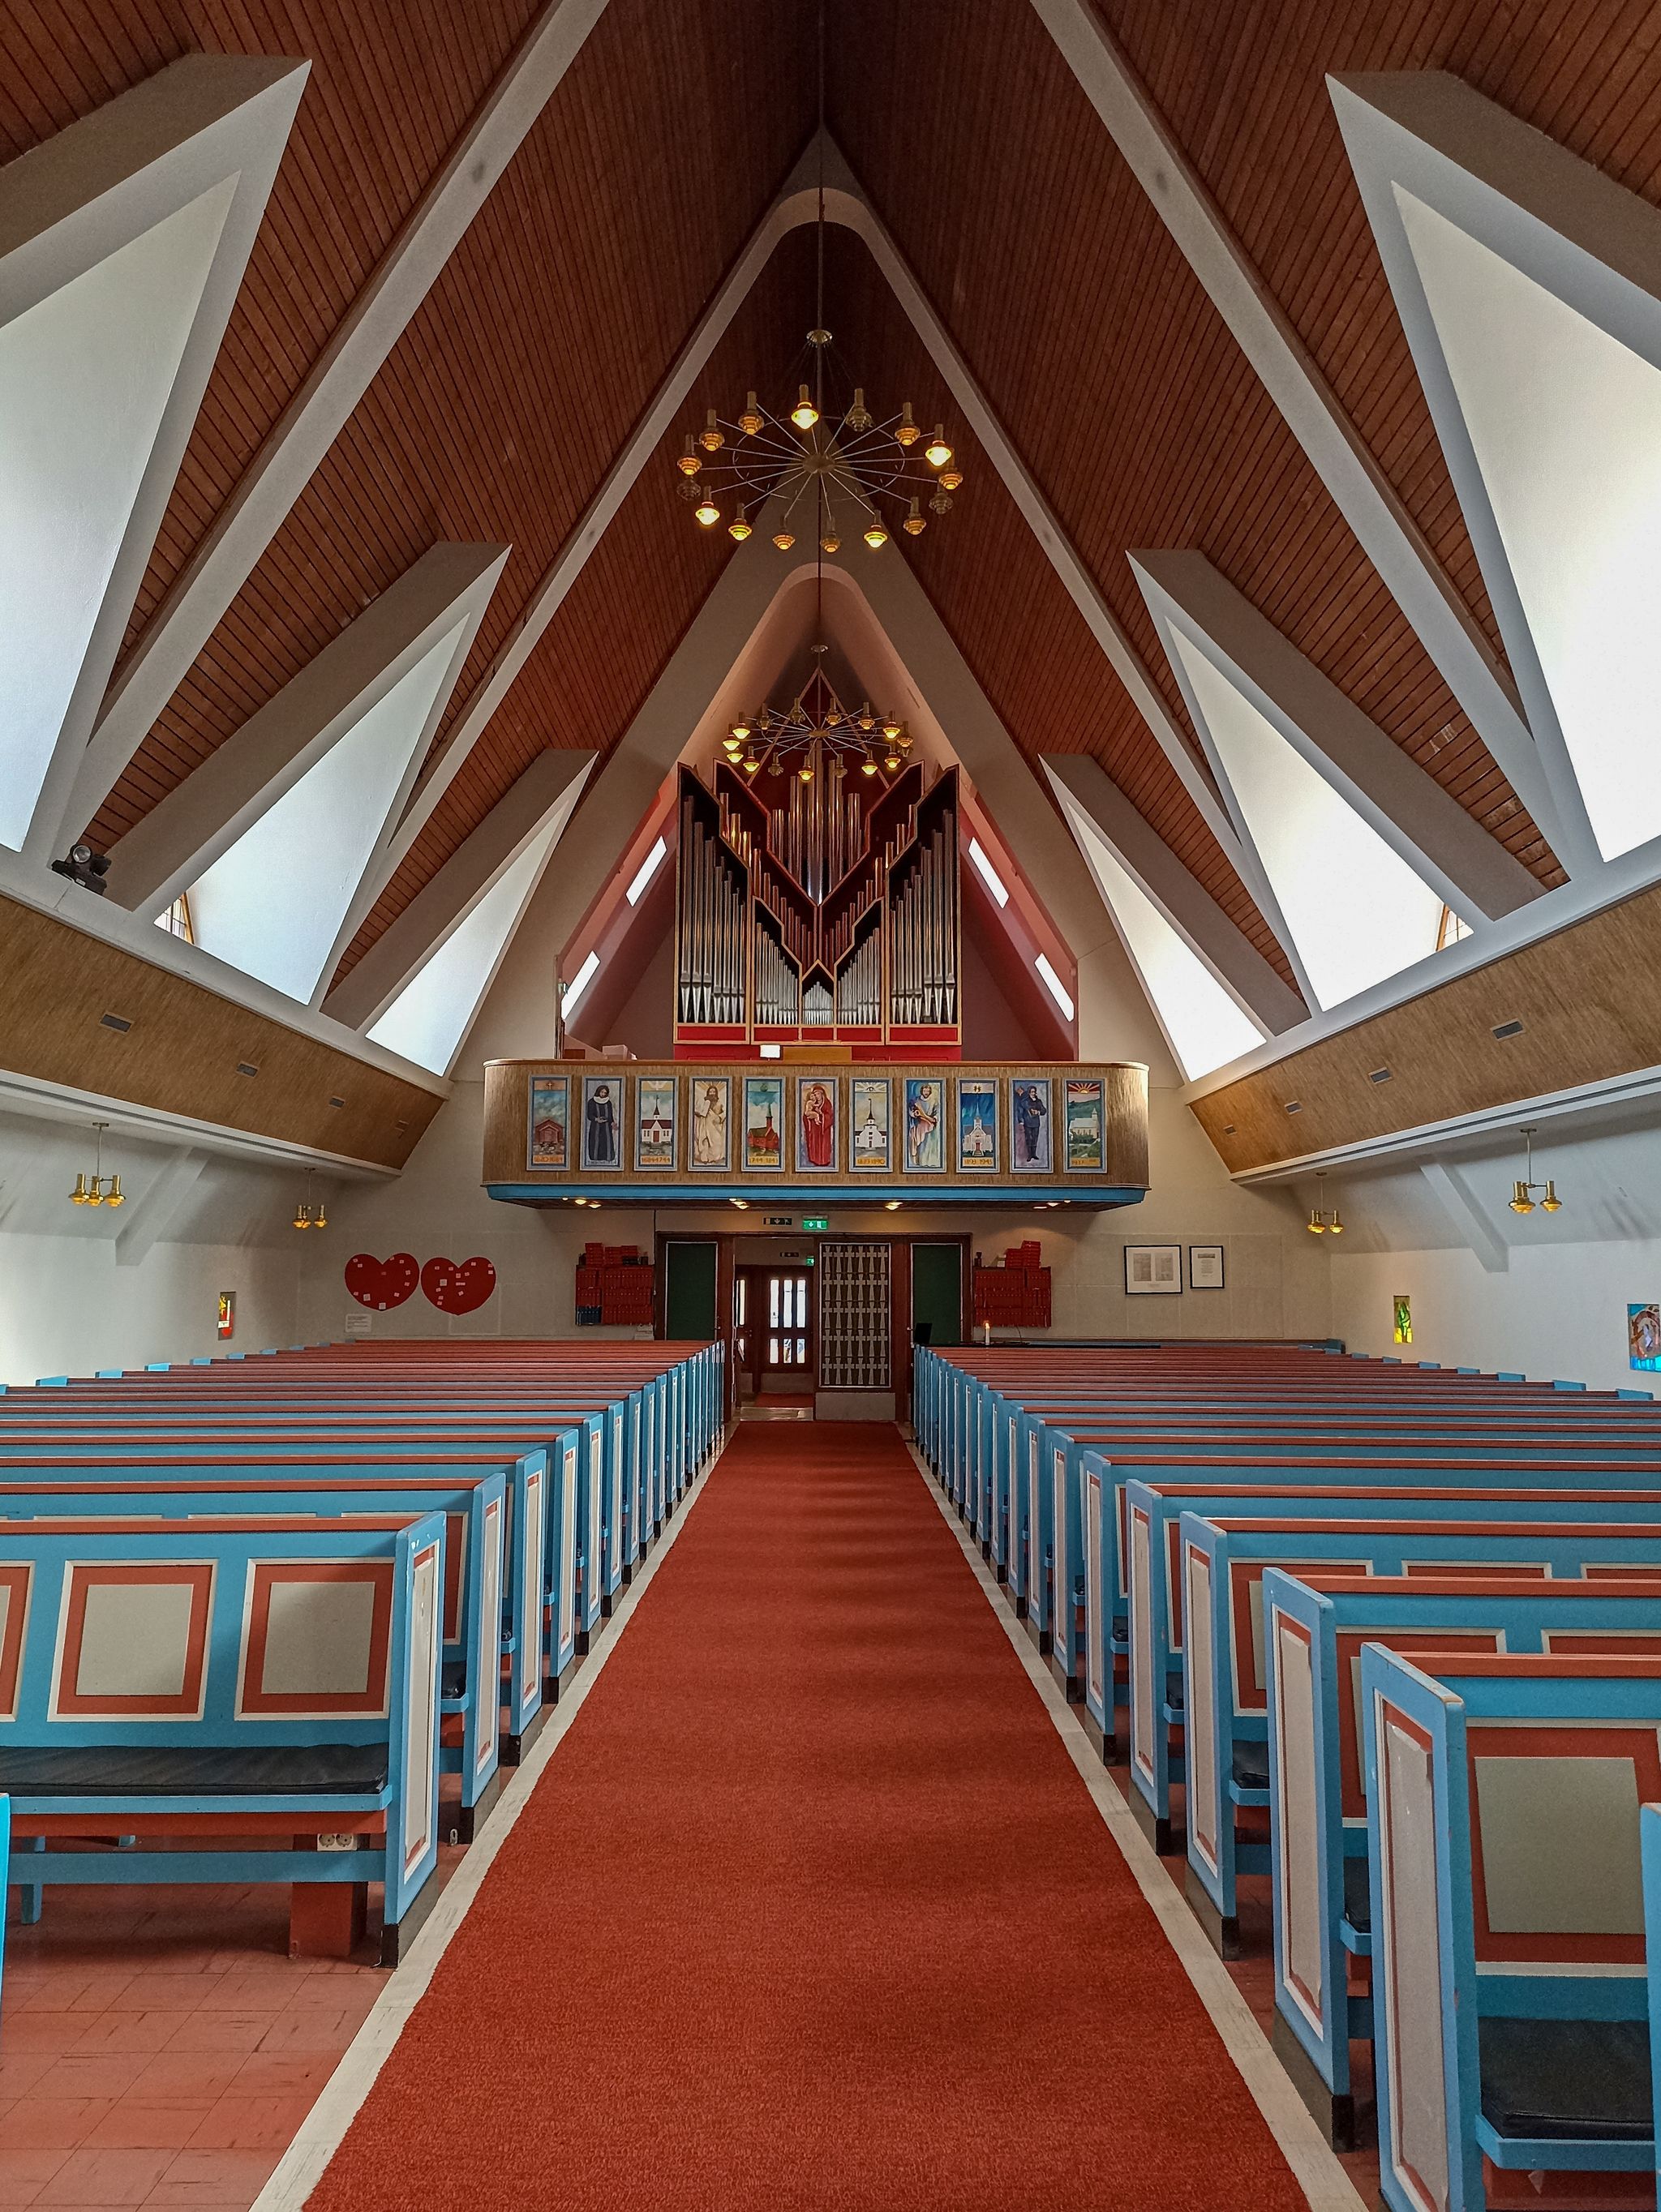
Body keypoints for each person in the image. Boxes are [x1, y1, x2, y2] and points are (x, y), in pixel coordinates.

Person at [800, 1080, 835, 1168]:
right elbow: (806, 1116)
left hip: (824, 1131)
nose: (816, 1096)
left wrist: (821, 1116)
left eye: (818, 1094)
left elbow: (830, 1117)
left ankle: (824, 1161)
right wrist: (808, 1118)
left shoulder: (827, 1104)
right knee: (814, 1144)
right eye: (815, 1095)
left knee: (823, 1146)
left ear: (822, 1094)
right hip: (814, 1130)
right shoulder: (812, 1103)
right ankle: (814, 1159)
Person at [693, 1082, 727, 1165]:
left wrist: (719, 1118)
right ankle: (705, 1158)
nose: (712, 1093)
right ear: (708, 1093)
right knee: (705, 1141)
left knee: (716, 1142)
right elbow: (701, 1111)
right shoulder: (705, 1102)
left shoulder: (719, 1102)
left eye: (714, 1092)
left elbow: (725, 1112)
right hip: (705, 1124)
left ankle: (714, 1158)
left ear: (716, 1093)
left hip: (716, 1126)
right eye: (711, 1092)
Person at [908, 1081, 939, 1168]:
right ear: (922, 1091)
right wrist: (915, 1113)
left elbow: (936, 1116)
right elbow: (911, 1111)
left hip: (929, 1127)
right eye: (925, 1091)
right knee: (918, 1145)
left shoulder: (934, 1102)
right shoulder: (916, 1101)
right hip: (918, 1126)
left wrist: (925, 1116)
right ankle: (918, 1162)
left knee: (927, 1145)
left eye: (928, 1091)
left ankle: (928, 1162)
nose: (926, 1093)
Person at [586, 1082, 617, 1166]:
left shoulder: (608, 1102)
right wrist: (596, 1119)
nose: (603, 1094)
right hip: (596, 1126)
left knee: (606, 1142)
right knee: (596, 1142)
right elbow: (589, 1115)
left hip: (606, 1127)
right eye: (602, 1092)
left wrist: (612, 1123)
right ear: (598, 1091)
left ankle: (607, 1157)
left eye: (605, 1093)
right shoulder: (592, 1102)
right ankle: (595, 1158)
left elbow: (610, 1115)